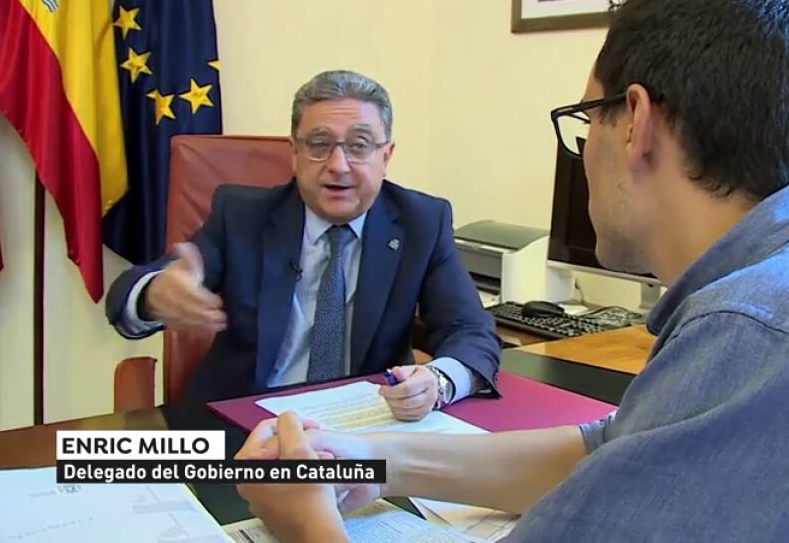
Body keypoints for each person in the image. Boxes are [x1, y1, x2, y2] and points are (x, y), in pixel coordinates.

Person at [234, 0, 789, 540]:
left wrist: (307, 524)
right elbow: (614, 454)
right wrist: (367, 457)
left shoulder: (765, 329)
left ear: (634, 121)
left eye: (587, 120)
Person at [105, 70, 502, 420]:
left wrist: (438, 381)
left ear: (386, 155)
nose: (338, 165)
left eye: (359, 145)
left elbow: (470, 329)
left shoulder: (422, 222)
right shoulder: (242, 215)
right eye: (319, 144)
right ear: (294, 153)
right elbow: (130, 290)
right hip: (243, 423)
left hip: (364, 425)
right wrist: (154, 294)